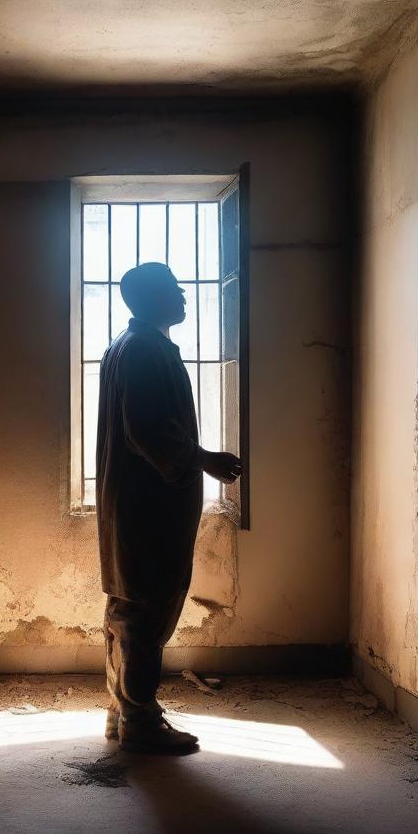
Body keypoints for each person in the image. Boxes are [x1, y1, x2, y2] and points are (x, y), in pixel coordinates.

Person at [97, 262, 242, 755]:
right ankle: (139, 719)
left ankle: (123, 710)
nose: (183, 296)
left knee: (128, 607)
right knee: (147, 610)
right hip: (149, 506)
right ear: (152, 298)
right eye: (174, 289)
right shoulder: (142, 351)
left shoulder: (130, 346)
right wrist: (206, 460)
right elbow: (149, 432)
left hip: (136, 503)